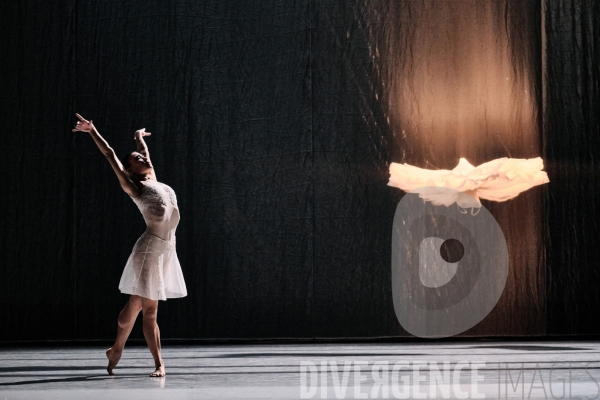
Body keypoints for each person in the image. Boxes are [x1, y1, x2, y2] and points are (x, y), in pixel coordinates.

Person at [72, 113, 187, 377]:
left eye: (142, 157)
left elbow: (144, 153)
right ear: (130, 171)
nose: (144, 159)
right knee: (150, 310)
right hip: (150, 250)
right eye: (137, 160)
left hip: (166, 249)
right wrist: (92, 131)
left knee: (135, 304)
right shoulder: (133, 187)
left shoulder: (153, 179)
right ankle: (159, 364)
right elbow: (110, 153)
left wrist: (138, 137)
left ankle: (115, 349)